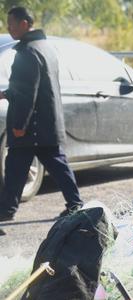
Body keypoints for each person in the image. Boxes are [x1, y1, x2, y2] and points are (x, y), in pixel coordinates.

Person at [0, 7, 83, 222]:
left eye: (12, 23)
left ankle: (6, 211)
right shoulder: (45, 47)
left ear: (25, 24)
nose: (8, 28)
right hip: (46, 123)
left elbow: (28, 93)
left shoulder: (27, 52)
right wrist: (6, 94)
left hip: (31, 127)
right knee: (56, 164)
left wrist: (20, 124)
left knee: (16, 168)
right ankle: (75, 204)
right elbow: (32, 85)